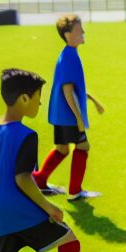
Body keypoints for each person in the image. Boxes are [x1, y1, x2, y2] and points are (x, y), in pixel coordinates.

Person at [0, 68, 81, 252]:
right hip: (16, 209)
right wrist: (49, 207)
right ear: (24, 98)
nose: (39, 103)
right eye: (38, 97)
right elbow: (23, 178)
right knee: (70, 245)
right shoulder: (26, 134)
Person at [33, 14, 104, 201]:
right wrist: (79, 118)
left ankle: (39, 179)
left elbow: (73, 88)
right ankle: (75, 190)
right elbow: (67, 90)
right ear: (67, 34)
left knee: (62, 148)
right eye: (79, 30)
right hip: (68, 115)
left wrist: (93, 100)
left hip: (60, 114)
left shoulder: (67, 54)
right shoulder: (70, 57)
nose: (83, 33)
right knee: (83, 146)